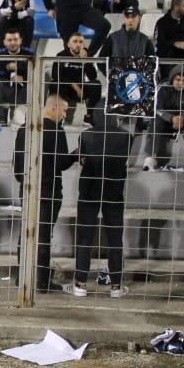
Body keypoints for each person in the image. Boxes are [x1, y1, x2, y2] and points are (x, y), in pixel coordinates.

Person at [65, 103, 132, 298]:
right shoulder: (127, 136)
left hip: (89, 189)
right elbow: (123, 159)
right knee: (115, 238)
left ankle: (80, 283)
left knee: (85, 237)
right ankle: (116, 286)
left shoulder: (86, 135)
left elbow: (83, 158)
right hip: (114, 189)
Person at [13, 93, 77, 292]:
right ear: (53, 108)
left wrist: (25, 180)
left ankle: (23, 277)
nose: (65, 115)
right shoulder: (56, 131)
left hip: (27, 189)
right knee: (43, 236)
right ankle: (41, 281)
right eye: (64, 110)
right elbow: (61, 163)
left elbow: (17, 166)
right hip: (49, 190)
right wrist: (76, 155)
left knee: (26, 233)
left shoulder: (25, 129)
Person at [143, 65, 184, 172]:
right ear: (172, 78)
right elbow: (157, 108)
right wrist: (171, 118)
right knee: (156, 119)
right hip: (166, 119)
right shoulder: (162, 86)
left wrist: (182, 118)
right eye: (178, 80)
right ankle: (149, 159)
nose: (181, 83)